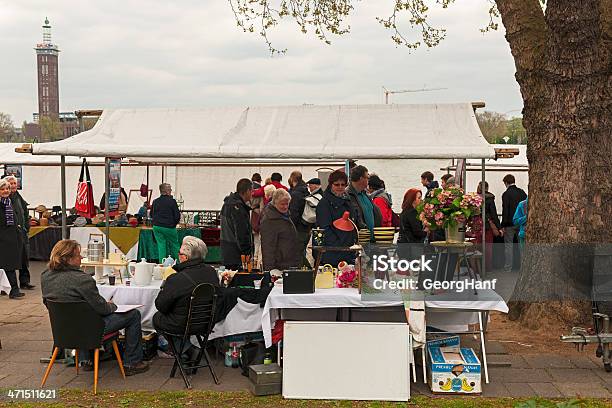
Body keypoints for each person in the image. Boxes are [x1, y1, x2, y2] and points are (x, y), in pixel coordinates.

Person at [41, 240, 149, 375]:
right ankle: (132, 362)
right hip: (90, 330)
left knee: (82, 314)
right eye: (78, 255)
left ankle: (85, 360)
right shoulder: (83, 279)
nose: (81, 258)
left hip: (62, 329)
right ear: (68, 259)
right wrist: (112, 305)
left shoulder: (45, 275)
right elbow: (101, 309)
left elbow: (47, 302)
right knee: (133, 315)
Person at [153, 236, 219, 337]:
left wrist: (166, 282)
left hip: (182, 324)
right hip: (207, 322)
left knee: (157, 318)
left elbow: (161, 306)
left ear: (185, 257)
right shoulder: (212, 272)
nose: (178, 256)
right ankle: (186, 349)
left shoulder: (176, 278)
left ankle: (180, 349)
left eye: (179, 253)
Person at [316, 170, 357, 266]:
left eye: (343, 185)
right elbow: (324, 228)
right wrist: (339, 245)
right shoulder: (324, 203)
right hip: (333, 252)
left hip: (348, 251)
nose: (340, 187)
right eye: (337, 184)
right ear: (331, 185)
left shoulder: (347, 201)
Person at [260, 189, 301, 271]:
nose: (285, 206)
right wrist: (269, 270)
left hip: (289, 263)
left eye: (287, 204)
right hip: (279, 266)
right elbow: (268, 247)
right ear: (274, 203)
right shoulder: (269, 220)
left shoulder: (284, 215)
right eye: (282, 204)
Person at [6, 176, 34, 290]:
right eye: (11, 183)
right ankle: (8, 285)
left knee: (24, 258)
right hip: (10, 235)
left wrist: (26, 227)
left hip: (22, 234)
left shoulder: (19, 198)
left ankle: (24, 282)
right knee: (10, 259)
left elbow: (25, 213)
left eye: (14, 183)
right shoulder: (5, 198)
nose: (13, 185)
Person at [220, 178, 253, 270]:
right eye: (251, 191)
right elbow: (241, 233)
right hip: (236, 254)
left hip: (226, 250)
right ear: (247, 191)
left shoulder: (227, 204)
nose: (252, 194)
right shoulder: (238, 208)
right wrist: (246, 254)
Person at [0, 178, 25, 299]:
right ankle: (13, 290)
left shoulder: (9, 202)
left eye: (7, 189)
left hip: (12, 238)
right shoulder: (1, 204)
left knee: (9, 265)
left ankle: (12, 289)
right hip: (3, 239)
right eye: (2, 189)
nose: (5, 191)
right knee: (8, 265)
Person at [501, 174, 527, 273]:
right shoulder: (522, 193)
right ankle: (523, 267)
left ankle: (508, 267)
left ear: (506, 183)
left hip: (509, 224)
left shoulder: (506, 194)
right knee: (522, 246)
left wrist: (503, 225)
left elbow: (505, 210)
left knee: (509, 246)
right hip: (521, 223)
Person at [346, 165, 382, 232]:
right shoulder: (347, 195)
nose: (368, 180)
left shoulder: (365, 194)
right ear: (361, 178)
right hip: (360, 239)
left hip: (371, 239)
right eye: (367, 177)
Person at [151, 183, 181, 262]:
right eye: (170, 189)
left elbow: (151, 214)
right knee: (175, 245)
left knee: (161, 245)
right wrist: (173, 224)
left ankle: (162, 263)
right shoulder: (172, 201)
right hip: (169, 227)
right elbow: (177, 215)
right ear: (166, 191)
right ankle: (178, 262)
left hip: (157, 227)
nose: (171, 191)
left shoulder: (155, 201)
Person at [476, 181, 502, 272]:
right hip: (487, 225)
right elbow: (494, 215)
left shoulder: (475, 198)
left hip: (477, 225)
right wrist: (499, 228)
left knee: (477, 247)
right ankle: (487, 267)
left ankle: (477, 268)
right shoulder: (490, 198)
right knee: (488, 248)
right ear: (487, 188)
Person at [287, 171, 311, 267]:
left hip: (298, 228)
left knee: (297, 254)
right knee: (301, 251)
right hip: (306, 226)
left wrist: (291, 227)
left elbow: (294, 213)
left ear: (292, 179)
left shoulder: (296, 193)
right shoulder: (306, 191)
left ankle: (307, 272)